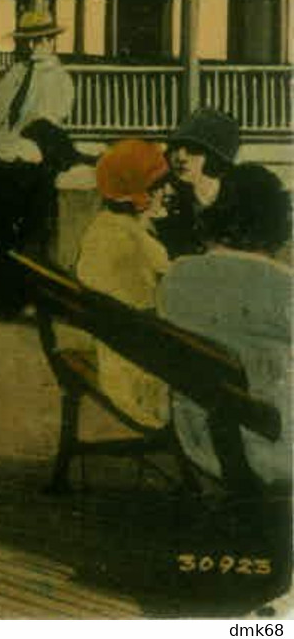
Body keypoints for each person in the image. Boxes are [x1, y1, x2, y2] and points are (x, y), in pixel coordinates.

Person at [161, 164, 292, 493]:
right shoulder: (284, 286)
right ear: (278, 223)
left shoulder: (177, 275)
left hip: (198, 437)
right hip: (274, 446)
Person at [0, 10, 75, 320]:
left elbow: (47, 124)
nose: (33, 47)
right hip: (9, 153)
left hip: (37, 155)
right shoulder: (17, 73)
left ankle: (14, 298)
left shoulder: (59, 78)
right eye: (28, 41)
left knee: (24, 224)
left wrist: (19, 148)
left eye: (39, 41)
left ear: (50, 41)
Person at [72, 140, 173, 429]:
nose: (168, 192)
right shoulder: (139, 242)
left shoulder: (101, 227)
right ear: (138, 194)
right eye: (159, 186)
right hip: (142, 381)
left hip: (114, 361)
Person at [153, 107, 241, 259]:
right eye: (175, 148)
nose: (180, 157)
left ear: (216, 156)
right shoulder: (166, 203)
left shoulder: (240, 206)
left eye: (193, 149)